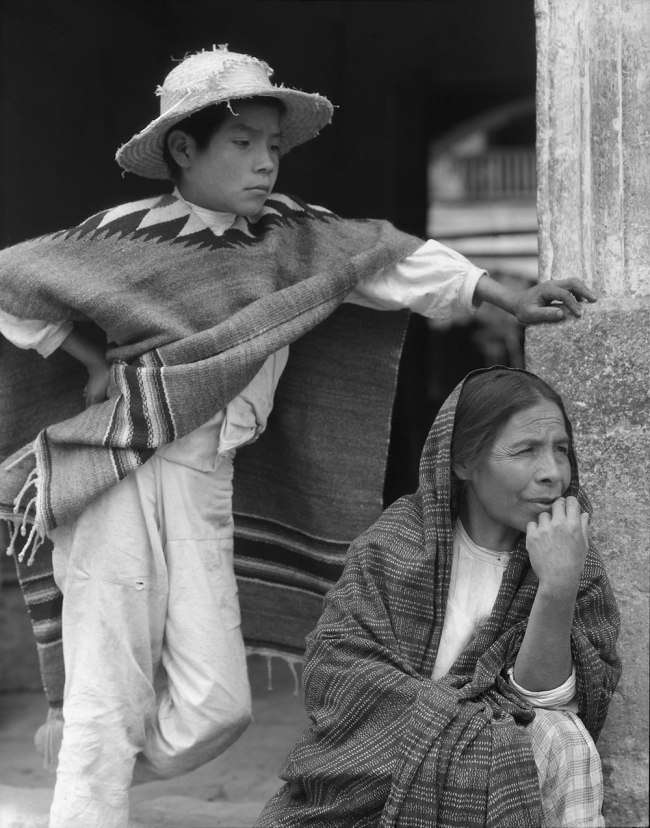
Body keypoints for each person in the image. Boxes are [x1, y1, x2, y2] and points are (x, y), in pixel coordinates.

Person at [0, 47, 596, 828]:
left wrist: (503, 295)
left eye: (273, 145)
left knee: (216, 709)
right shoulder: (125, 234)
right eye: (242, 142)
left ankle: (73, 778)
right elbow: (12, 282)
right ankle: (84, 792)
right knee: (108, 686)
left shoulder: (290, 235)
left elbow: (390, 259)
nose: (264, 162)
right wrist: (89, 364)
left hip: (207, 475)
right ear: (182, 147)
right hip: (119, 468)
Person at [256, 366, 621, 828]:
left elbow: (546, 702)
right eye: (526, 450)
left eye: (561, 450)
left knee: (562, 738)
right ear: (463, 461)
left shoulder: (573, 558)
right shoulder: (393, 547)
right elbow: (337, 676)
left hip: (506, 771)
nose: (553, 473)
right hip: (377, 779)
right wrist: (465, 731)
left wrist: (558, 583)